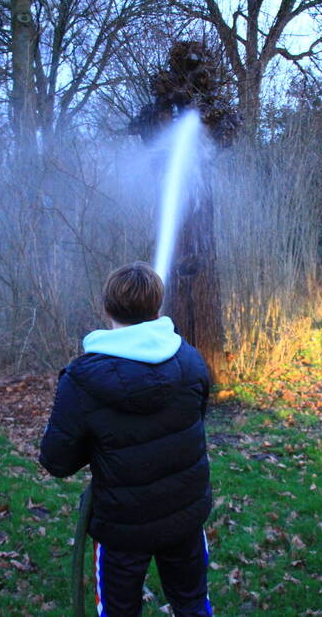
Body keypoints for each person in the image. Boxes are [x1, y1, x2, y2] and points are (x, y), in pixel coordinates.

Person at [40, 262, 213, 616]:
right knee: (192, 603)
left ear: (106, 308)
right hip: (184, 514)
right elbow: (193, 419)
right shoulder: (191, 360)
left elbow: (57, 461)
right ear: (157, 308)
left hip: (122, 527)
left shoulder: (81, 380)